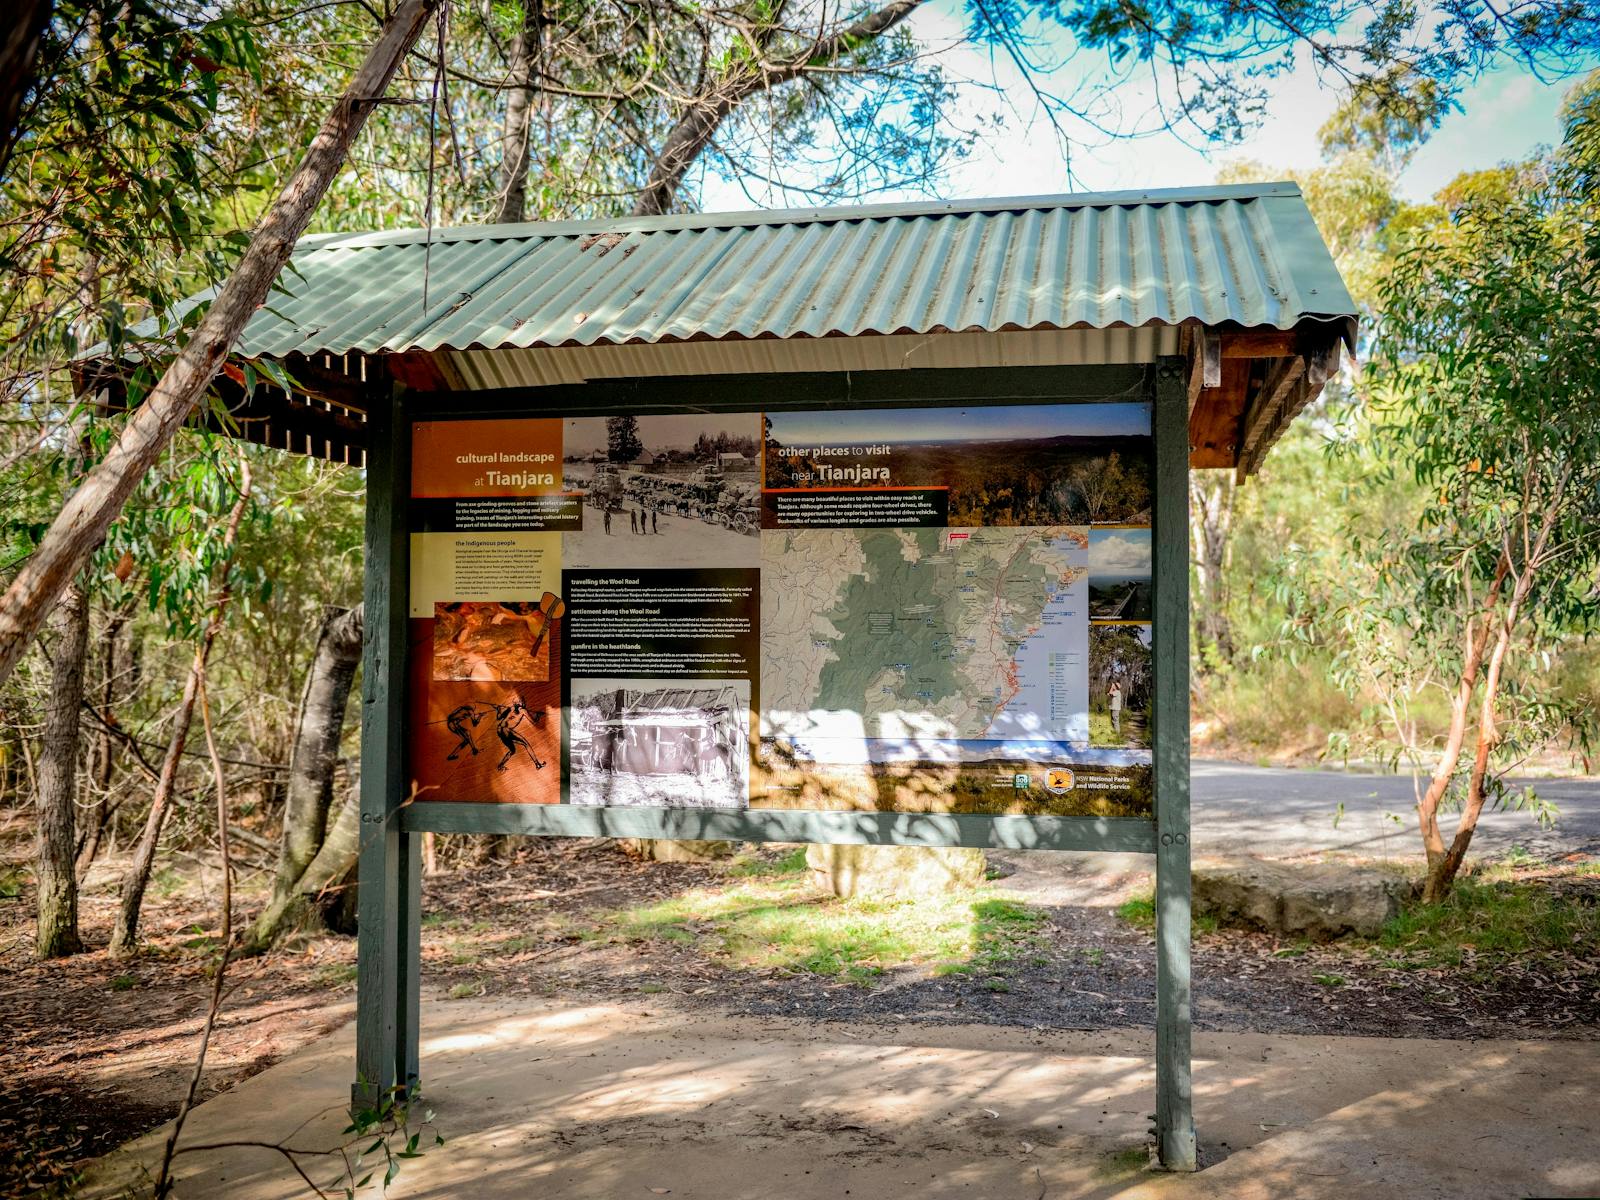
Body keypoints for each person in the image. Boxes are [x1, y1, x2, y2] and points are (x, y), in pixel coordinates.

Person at [494, 699, 545, 772]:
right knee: (526, 743)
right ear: (520, 704)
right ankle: (537, 764)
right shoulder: (522, 710)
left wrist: (498, 710)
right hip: (506, 730)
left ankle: (500, 765)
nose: (523, 702)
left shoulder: (510, 709)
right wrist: (538, 716)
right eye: (521, 701)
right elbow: (534, 721)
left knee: (512, 750)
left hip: (499, 730)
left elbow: (499, 717)